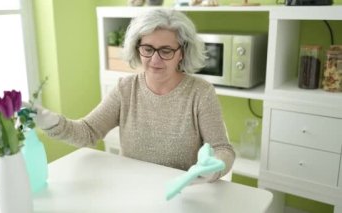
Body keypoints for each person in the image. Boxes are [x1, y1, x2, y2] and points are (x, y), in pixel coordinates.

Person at [33, 9, 235, 182]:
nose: (155, 59)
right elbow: (88, 132)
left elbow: (222, 148)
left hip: (181, 190)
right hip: (131, 187)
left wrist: (214, 167)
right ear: (137, 49)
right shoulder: (125, 89)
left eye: (165, 51)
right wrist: (52, 123)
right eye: (148, 49)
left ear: (182, 52)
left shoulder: (200, 93)